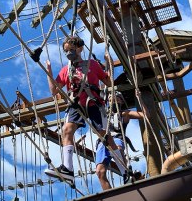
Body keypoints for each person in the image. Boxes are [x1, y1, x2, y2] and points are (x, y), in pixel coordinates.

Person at [44, 35, 127, 182]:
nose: (69, 52)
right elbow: (54, 90)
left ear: (80, 48)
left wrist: (109, 64)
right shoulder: (66, 70)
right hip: (76, 103)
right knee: (67, 130)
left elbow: (109, 82)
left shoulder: (92, 64)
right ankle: (68, 168)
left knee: (105, 136)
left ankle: (124, 170)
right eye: (66, 51)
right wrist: (49, 72)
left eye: (71, 49)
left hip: (93, 102)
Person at [96, 92, 148, 190]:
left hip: (116, 138)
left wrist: (140, 98)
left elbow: (146, 115)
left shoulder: (125, 114)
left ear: (122, 101)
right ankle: (110, 197)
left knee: (118, 149)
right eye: (110, 99)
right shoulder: (102, 114)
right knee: (100, 172)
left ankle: (127, 175)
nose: (113, 100)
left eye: (117, 98)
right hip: (102, 141)